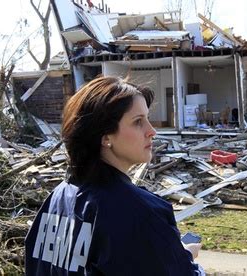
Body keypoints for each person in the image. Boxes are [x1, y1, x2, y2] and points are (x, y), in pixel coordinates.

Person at [25, 76, 204, 275]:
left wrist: (170, 254)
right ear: (105, 137)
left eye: (147, 119)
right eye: (138, 122)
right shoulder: (141, 215)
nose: (151, 131)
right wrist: (186, 261)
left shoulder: (58, 198)